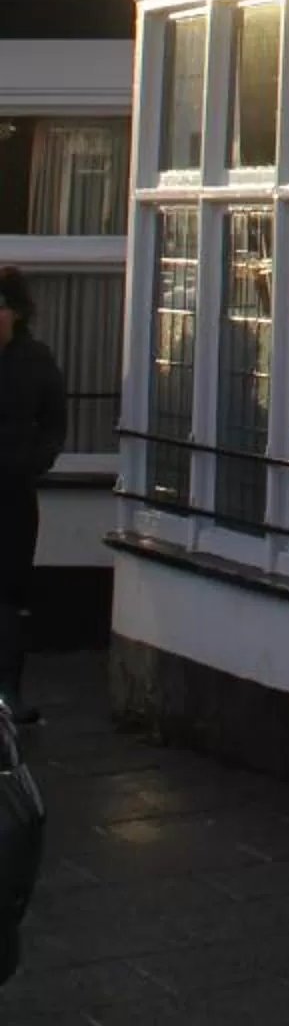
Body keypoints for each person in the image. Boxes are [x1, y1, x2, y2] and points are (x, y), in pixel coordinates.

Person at [0, 274, 65, 726]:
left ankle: (8, 693)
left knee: (9, 594)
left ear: (16, 313)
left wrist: (33, 462)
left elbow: (54, 425)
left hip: (12, 495)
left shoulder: (36, 361)